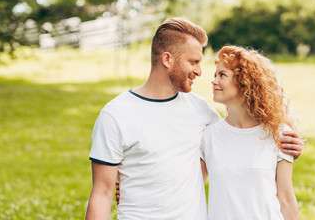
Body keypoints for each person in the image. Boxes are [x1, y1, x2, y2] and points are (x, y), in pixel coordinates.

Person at [85, 18, 302, 220]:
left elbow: (240, 139)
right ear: (167, 59)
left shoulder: (201, 111)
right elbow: (102, 194)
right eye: (193, 61)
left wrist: (289, 147)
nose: (200, 72)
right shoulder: (116, 115)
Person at [201, 46, 299, 219]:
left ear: (245, 82)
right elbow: (194, 190)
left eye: (222, 75)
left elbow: (285, 198)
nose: (214, 81)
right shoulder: (208, 135)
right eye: (215, 75)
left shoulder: (279, 134)